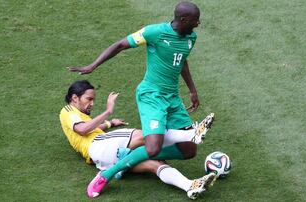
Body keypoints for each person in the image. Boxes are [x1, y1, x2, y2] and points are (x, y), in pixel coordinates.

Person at [68, 2, 210, 198]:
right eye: (195, 20)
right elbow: (120, 45)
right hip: (151, 95)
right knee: (152, 148)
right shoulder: (154, 32)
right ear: (183, 20)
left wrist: (192, 90)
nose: (198, 24)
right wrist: (93, 65)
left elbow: (181, 60)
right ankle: (107, 174)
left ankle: (142, 154)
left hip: (173, 98)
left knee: (189, 151)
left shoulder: (190, 38)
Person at [59, 80, 216, 199]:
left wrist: (109, 123)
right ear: (74, 98)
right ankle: (191, 135)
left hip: (102, 159)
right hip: (100, 144)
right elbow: (82, 129)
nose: (92, 104)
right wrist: (108, 111)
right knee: (145, 136)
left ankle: (189, 186)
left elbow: (89, 128)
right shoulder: (68, 111)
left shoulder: (81, 116)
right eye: (89, 99)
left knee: (156, 164)